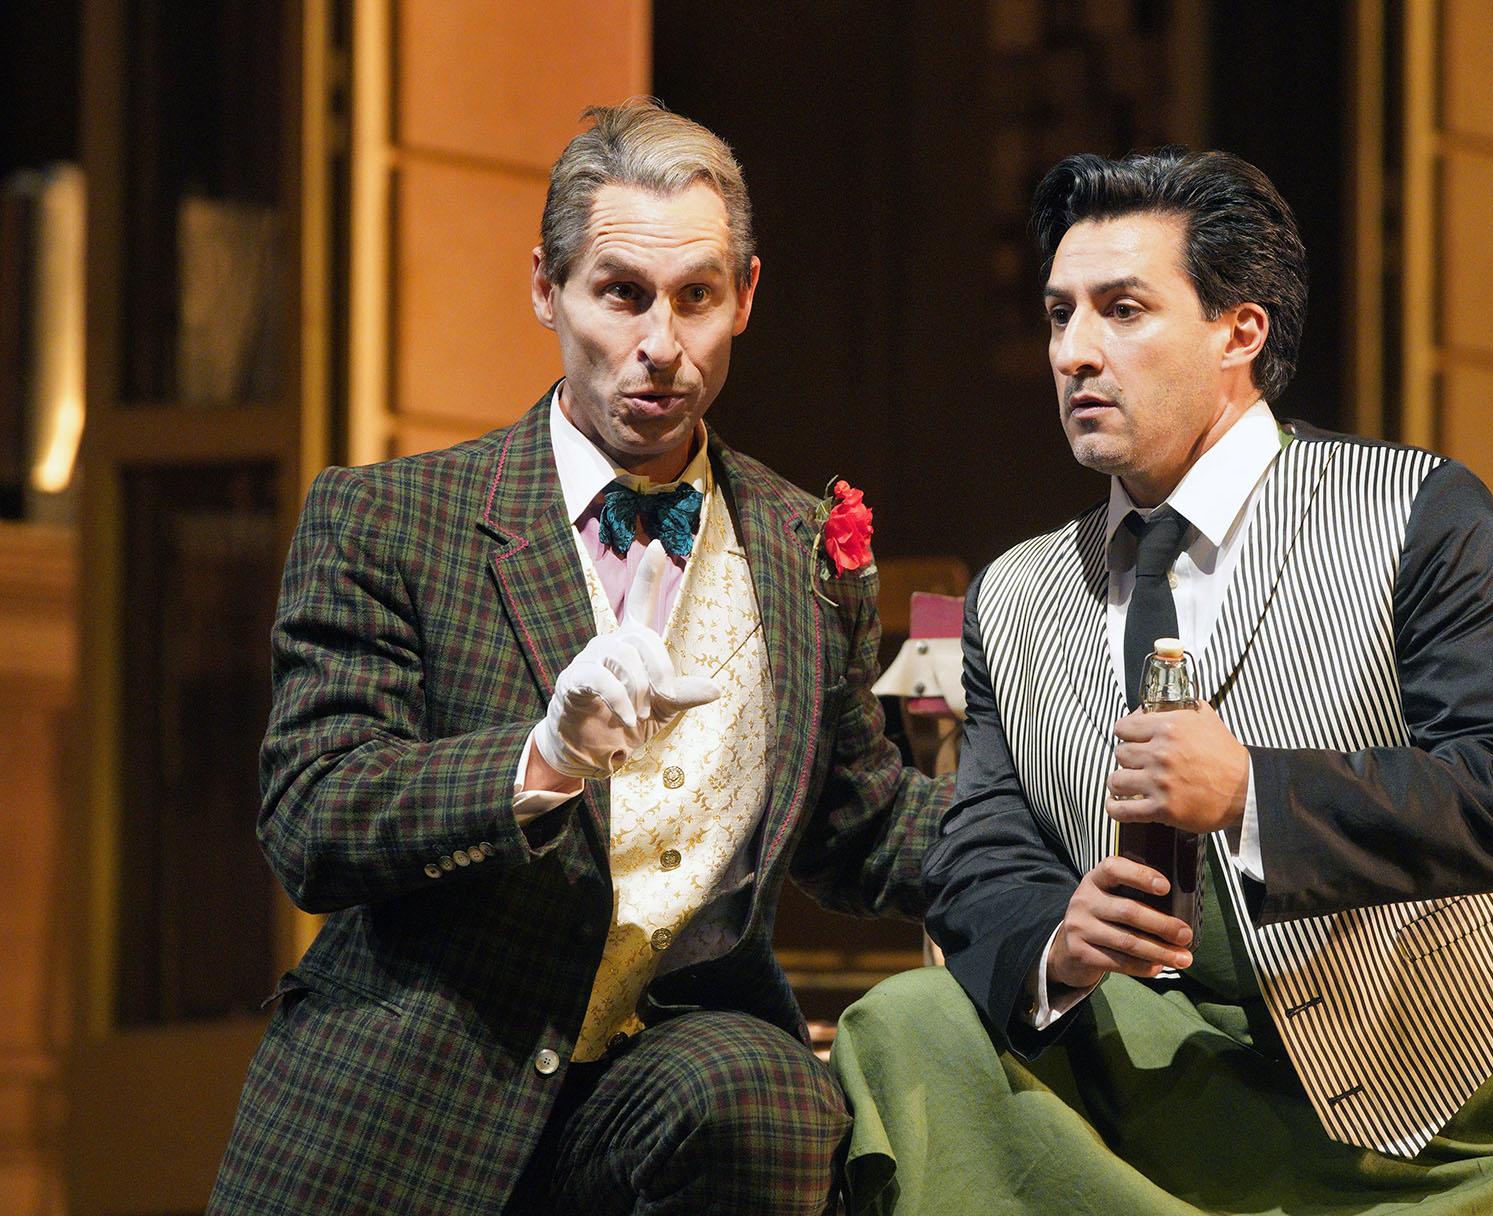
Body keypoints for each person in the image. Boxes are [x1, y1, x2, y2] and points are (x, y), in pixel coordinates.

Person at [210, 99, 947, 1216]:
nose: (661, 343)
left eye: (696, 296)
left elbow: (860, 818)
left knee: (771, 1090)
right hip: (418, 1096)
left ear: (745, 296)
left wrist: (1068, 831)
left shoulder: (800, 546)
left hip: (661, 1089)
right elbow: (312, 814)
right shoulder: (388, 517)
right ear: (546, 289)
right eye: (622, 293)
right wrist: (542, 756)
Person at [832, 147, 1493, 1215]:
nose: (1075, 352)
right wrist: (1060, 939)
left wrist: (1252, 792)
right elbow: (983, 845)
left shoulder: (1416, 513)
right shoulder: (1013, 594)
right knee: (907, 1026)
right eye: (1060, 315)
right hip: (1170, 1065)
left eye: (1123, 310)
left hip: (1433, 1090)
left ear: (1239, 332)